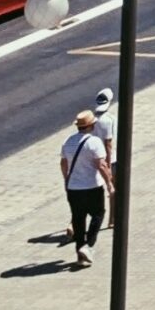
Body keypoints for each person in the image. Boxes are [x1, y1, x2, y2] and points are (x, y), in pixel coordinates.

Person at [59, 108, 113, 269]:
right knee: (98, 214)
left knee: (78, 218)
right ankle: (88, 245)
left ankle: (80, 254)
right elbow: (101, 166)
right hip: (92, 187)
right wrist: (109, 183)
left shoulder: (68, 141)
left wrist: (67, 180)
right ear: (92, 125)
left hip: (73, 188)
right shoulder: (94, 142)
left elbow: (63, 163)